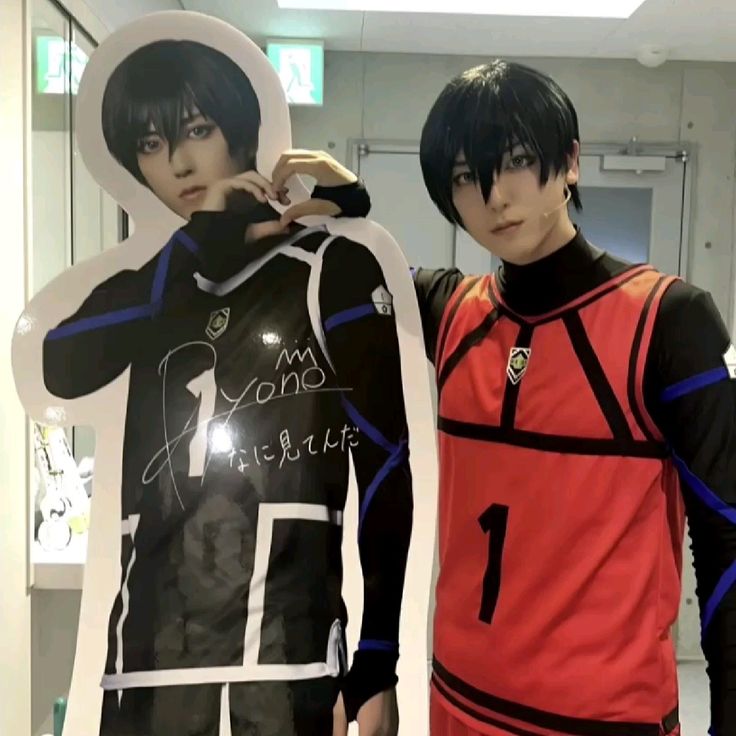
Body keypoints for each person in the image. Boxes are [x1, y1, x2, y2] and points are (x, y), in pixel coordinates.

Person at [43, 38, 409, 736]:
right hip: (146, 663)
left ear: (240, 132)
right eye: (151, 145)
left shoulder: (329, 269)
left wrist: (378, 658)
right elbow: (62, 363)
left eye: (198, 130)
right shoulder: (155, 288)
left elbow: (386, 469)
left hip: (287, 667)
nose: (178, 164)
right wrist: (199, 241)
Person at [406, 60, 736, 736]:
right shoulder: (451, 313)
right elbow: (353, 271)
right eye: (466, 176)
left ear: (571, 163)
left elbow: (726, 536)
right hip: (458, 705)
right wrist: (343, 207)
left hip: (605, 719)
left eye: (518, 161)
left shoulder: (670, 321)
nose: (495, 196)